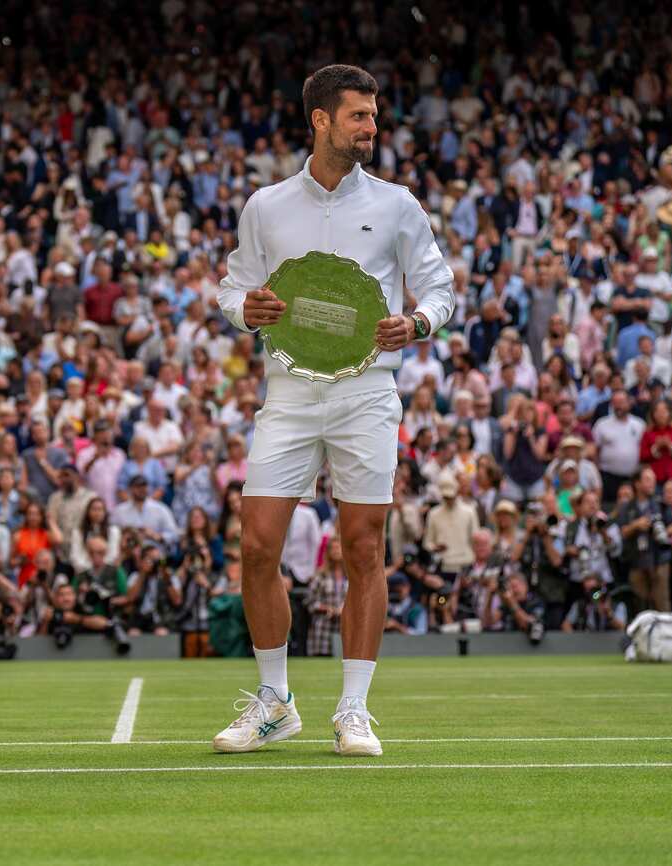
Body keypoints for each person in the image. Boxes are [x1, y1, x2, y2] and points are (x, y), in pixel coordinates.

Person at [213, 65, 454, 757]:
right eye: (358, 116)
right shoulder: (266, 205)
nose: (371, 127)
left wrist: (420, 323)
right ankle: (275, 701)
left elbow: (439, 287)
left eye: (374, 116)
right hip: (287, 392)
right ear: (320, 120)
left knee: (362, 548)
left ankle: (354, 708)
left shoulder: (399, 203)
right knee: (257, 545)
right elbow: (234, 288)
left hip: (367, 393)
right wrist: (243, 310)